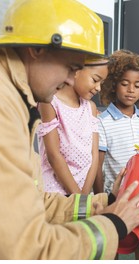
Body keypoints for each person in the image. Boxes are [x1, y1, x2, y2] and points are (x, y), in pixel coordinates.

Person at [0, 0, 139, 260]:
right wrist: (114, 224)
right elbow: (19, 253)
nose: (72, 80)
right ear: (37, 50)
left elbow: (34, 201)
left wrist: (106, 201)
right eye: (71, 68)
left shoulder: (4, 91)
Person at [94, 49, 139, 260]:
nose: (131, 90)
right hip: (116, 198)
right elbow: (97, 166)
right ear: (113, 84)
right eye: (125, 83)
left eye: (137, 85)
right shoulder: (102, 122)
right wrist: (103, 199)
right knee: (112, 248)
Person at [37, 56, 108, 195]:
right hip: (56, 193)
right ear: (76, 70)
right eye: (95, 79)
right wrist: (77, 197)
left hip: (83, 193)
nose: (99, 88)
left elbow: (94, 157)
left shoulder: (91, 108)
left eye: (102, 83)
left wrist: (84, 197)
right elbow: (54, 155)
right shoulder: (50, 103)